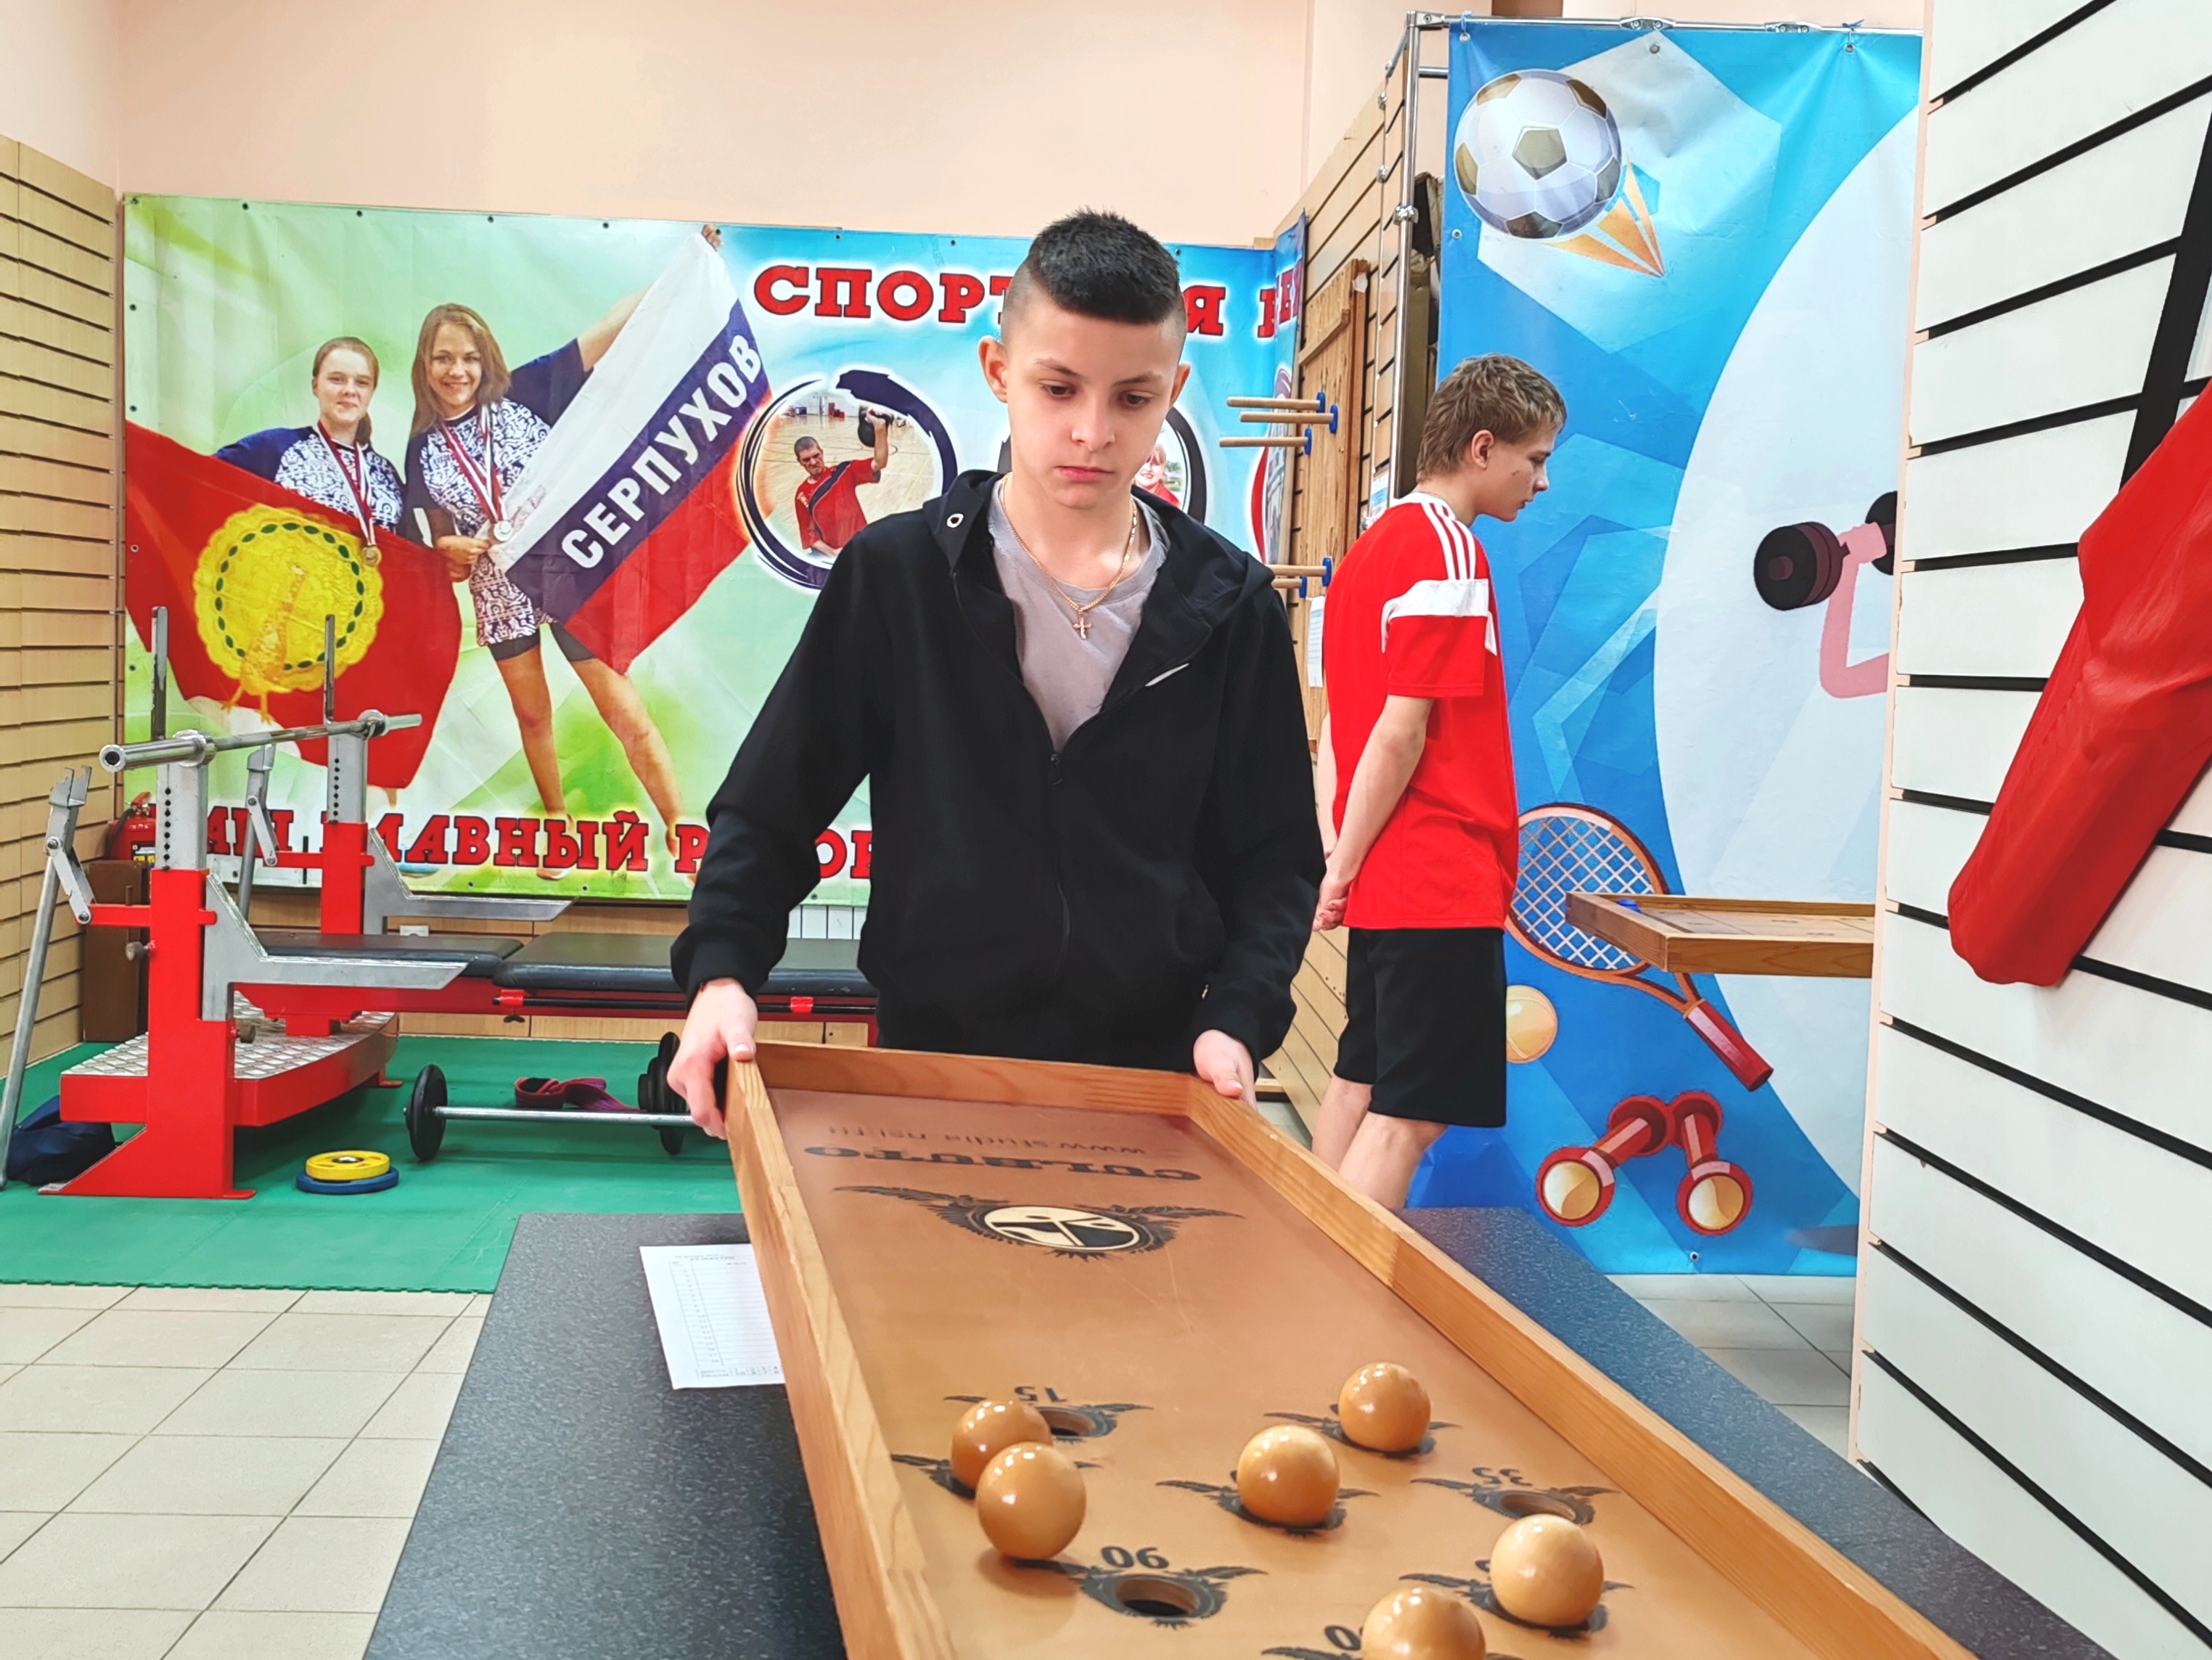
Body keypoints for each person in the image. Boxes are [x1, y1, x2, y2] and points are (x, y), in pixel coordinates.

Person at [669, 210, 1322, 1132]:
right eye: (1059, 388)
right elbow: (770, 806)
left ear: (1174, 390)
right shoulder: (898, 577)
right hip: (931, 1071)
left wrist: (1237, 1021)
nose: (1092, 431)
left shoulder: (1232, 605)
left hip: (1153, 1084)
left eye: (1133, 399)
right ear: (998, 371)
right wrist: (722, 976)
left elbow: (1277, 860)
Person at [1309, 355, 1564, 1208]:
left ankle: (1296, 1267)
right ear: (1482, 448)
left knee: (1360, 1082)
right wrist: (1343, 866)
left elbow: (1337, 732)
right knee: (1409, 1116)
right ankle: (1335, 1287)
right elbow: (1397, 732)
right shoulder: (1446, 552)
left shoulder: (1367, 553)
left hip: (1392, 876)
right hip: (1436, 876)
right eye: (1534, 460)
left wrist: (1341, 856)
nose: (1541, 482)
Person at [402, 282, 687, 854]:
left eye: (469, 357)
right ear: (424, 366)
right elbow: (441, 543)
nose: (457, 371)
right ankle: (559, 827)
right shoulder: (422, 446)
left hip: (565, 570)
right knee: (532, 716)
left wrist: (678, 274)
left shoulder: (529, 388)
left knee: (621, 708)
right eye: (443, 358)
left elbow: (610, 330)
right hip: (498, 590)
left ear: (487, 359)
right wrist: (448, 550)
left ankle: (684, 831)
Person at [217, 336, 404, 558]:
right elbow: (202, 478)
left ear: (372, 391)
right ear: (316, 386)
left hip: (370, 581)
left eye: (362, 383)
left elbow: (412, 556)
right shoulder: (276, 448)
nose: (349, 390)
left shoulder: (386, 474)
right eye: (337, 380)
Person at [792, 410, 892, 556]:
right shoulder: (801, 495)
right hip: (831, 555)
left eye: (816, 456)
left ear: (822, 453)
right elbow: (809, 534)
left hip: (861, 547)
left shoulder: (844, 471)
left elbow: (879, 463)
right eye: (806, 460)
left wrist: (880, 428)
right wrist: (833, 553)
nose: (813, 462)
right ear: (800, 462)